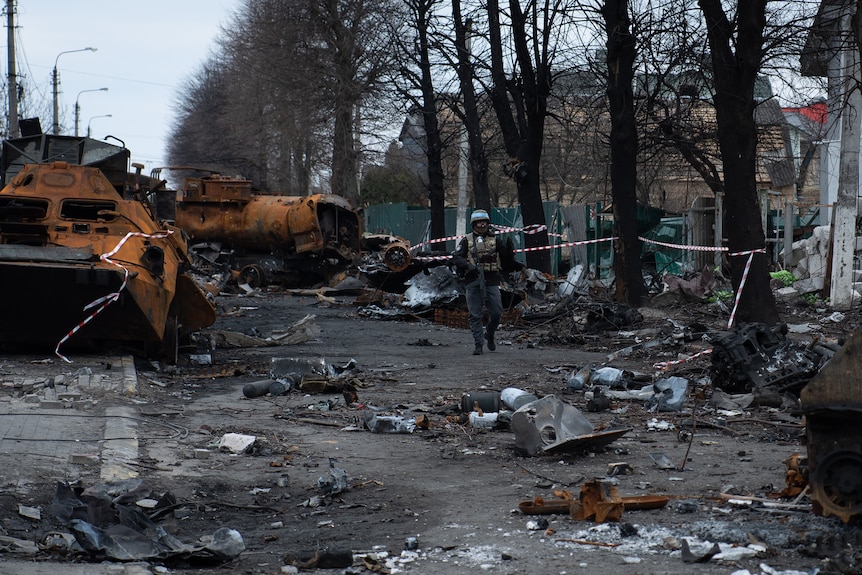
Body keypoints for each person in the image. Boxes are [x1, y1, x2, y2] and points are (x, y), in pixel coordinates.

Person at [452, 209, 524, 355]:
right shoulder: (467, 240)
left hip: (491, 280)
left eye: (483, 222)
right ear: (474, 224)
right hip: (472, 280)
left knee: (497, 312)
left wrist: (509, 250)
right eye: (478, 222)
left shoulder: (495, 240)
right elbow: (455, 257)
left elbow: (506, 260)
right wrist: (468, 266)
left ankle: (489, 333)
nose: (481, 224)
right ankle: (478, 344)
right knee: (475, 314)